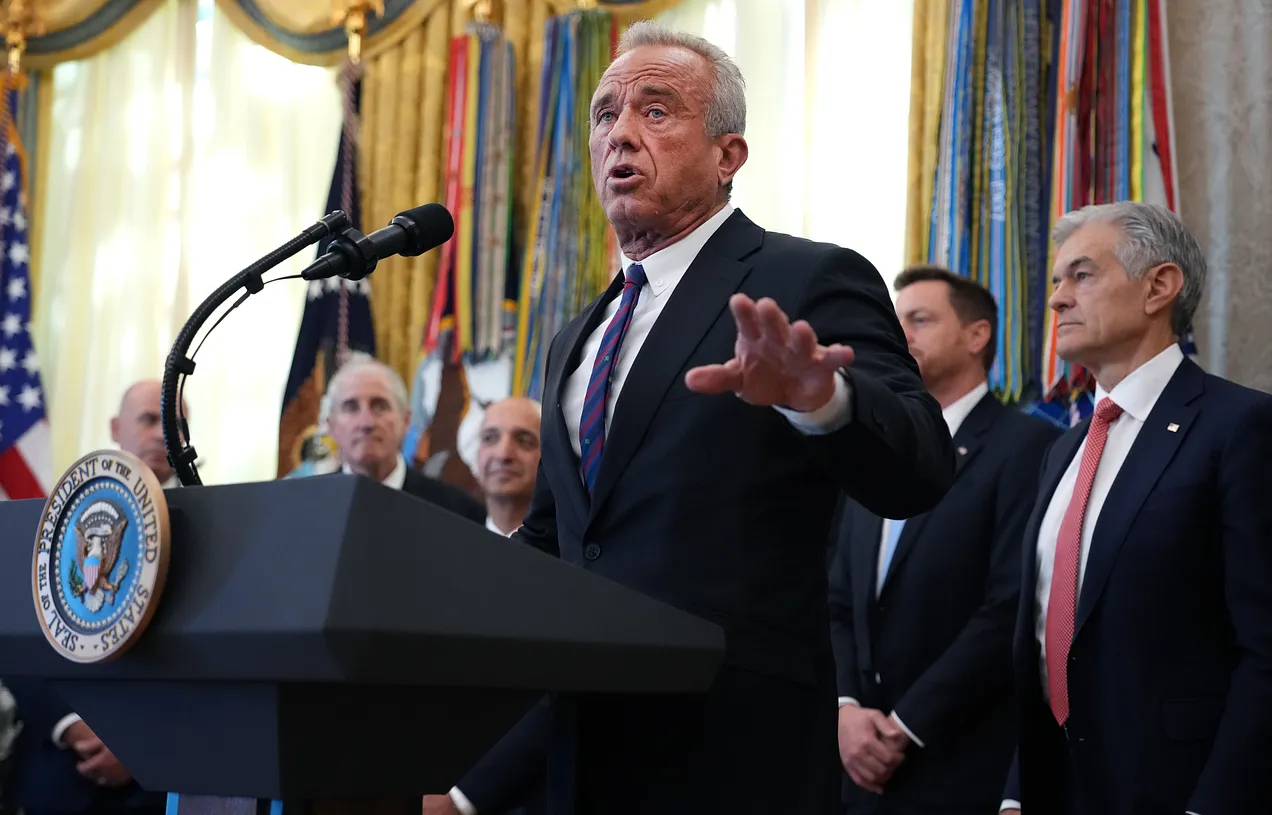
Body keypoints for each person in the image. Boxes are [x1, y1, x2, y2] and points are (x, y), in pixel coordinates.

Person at [429, 21, 954, 815]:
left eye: (657, 110)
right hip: (584, 745)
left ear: (728, 155)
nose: (621, 134)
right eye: (605, 114)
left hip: (734, 744)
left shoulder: (806, 277)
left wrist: (822, 400)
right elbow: (558, 536)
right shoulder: (580, 334)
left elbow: (921, 464)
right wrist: (430, 582)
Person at [1000, 201, 1272, 814]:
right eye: (1055, 281)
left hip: (1180, 791)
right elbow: (1047, 635)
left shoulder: (1240, 428)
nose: (1057, 299)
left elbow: (1264, 648)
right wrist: (1018, 790)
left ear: (1159, 286)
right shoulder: (1062, 450)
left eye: (1082, 275)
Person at [829, 268, 1059, 815]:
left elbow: (1009, 606)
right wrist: (845, 707)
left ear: (977, 335)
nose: (901, 334)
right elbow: (836, 594)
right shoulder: (869, 445)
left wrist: (906, 727)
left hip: (960, 762)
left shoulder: (1030, 446)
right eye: (895, 321)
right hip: (855, 765)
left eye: (920, 319)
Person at [1, 380, 179, 815]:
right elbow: (16, 637)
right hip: (59, 774)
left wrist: (139, 745)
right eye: (149, 418)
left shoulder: (215, 532)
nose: (163, 432)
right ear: (115, 428)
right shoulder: (58, 523)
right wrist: (75, 728)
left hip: (160, 783)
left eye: (176, 421)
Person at [323, 353, 486, 524]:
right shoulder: (304, 506)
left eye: (380, 406)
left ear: (406, 420)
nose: (366, 423)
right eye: (351, 407)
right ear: (331, 426)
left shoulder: (456, 511)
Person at [474, 397, 542, 537]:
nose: (503, 454)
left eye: (524, 441)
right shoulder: (451, 549)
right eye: (490, 438)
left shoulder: (570, 555)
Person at [110, 379, 183, 487]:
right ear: (116, 429)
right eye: (149, 420)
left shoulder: (209, 503)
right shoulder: (83, 499)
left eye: (175, 426)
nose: (162, 436)